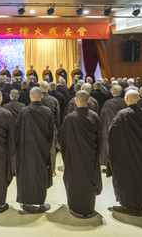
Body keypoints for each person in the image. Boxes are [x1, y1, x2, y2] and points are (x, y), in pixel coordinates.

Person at [108, 90, 142, 216]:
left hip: (126, 153)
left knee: (127, 178)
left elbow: (113, 132)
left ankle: (128, 205)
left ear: (126, 99)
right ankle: (139, 206)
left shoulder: (123, 114)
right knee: (140, 178)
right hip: (141, 153)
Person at [60, 90, 102, 218]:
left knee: (75, 181)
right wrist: (96, 154)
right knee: (89, 181)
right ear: (88, 100)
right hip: (90, 156)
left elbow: (62, 139)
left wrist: (67, 154)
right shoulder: (94, 116)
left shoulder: (70, 118)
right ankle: (88, 208)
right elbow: (100, 138)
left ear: (76, 101)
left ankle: (76, 208)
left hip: (74, 157)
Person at [16, 87, 54, 213]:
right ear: (41, 96)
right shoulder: (47, 111)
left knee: (27, 174)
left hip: (26, 149)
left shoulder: (24, 111)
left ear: (30, 97)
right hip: (42, 148)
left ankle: (26, 202)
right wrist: (47, 146)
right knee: (40, 174)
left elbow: (18, 130)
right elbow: (51, 132)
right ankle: (41, 202)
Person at [98, 85, 125, 167]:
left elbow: (103, 116)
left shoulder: (108, 103)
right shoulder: (125, 101)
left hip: (110, 126)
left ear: (112, 92)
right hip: (122, 126)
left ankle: (109, 162)